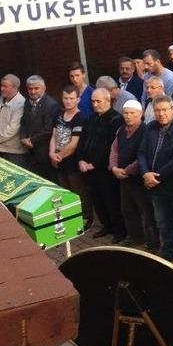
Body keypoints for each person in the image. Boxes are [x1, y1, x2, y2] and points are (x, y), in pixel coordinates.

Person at [138, 96, 173, 263]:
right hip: (155, 187)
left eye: (164, 110)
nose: (161, 114)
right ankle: (168, 252)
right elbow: (141, 152)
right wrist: (145, 173)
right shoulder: (151, 127)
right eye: (157, 110)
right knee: (162, 222)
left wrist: (155, 177)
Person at [77, 88, 125, 241]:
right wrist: (81, 159)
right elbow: (83, 141)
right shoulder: (91, 118)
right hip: (88, 169)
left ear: (108, 100)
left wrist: (94, 164)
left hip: (105, 170)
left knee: (111, 201)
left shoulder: (116, 119)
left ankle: (119, 230)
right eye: (93, 101)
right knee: (98, 200)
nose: (95, 104)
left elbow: (111, 146)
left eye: (98, 101)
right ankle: (107, 225)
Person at [109, 100, 157, 249]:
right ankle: (136, 237)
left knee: (147, 212)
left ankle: (153, 243)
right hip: (123, 179)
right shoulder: (121, 130)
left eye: (132, 113)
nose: (128, 116)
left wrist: (127, 170)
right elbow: (114, 150)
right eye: (126, 113)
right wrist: (113, 167)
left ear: (140, 114)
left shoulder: (146, 131)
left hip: (139, 179)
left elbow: (143, 155)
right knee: (127, 210)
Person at [50, 86, 92, 228]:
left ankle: (86, 217)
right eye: (66, 98)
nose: (68, 101)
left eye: (72, 98)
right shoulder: (59, 115)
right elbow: (53, 136)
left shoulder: (81, 117)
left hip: (72, 162)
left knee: (78, 190)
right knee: (65, 190)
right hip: (58, 160)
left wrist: (58, 156)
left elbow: (74, 144)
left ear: (78, 99)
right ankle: (71, 216)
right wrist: (51, 154)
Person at [20, 75, 60, 178]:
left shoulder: (51, 104)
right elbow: (24, 121)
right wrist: (23, 138)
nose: (33, 92)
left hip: (44, 152)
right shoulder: (27, 102)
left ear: (44, 88)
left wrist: (32, 140)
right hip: (31, 152)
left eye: (36, 88)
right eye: (30, 89)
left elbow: (48, 129)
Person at [0, 74, 27, 166]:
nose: (1, 88)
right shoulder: (0, 100)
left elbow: (13, 128)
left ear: (14, 88)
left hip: (14, 152)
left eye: (5, 86)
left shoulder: (21, 103)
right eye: (1, 85)